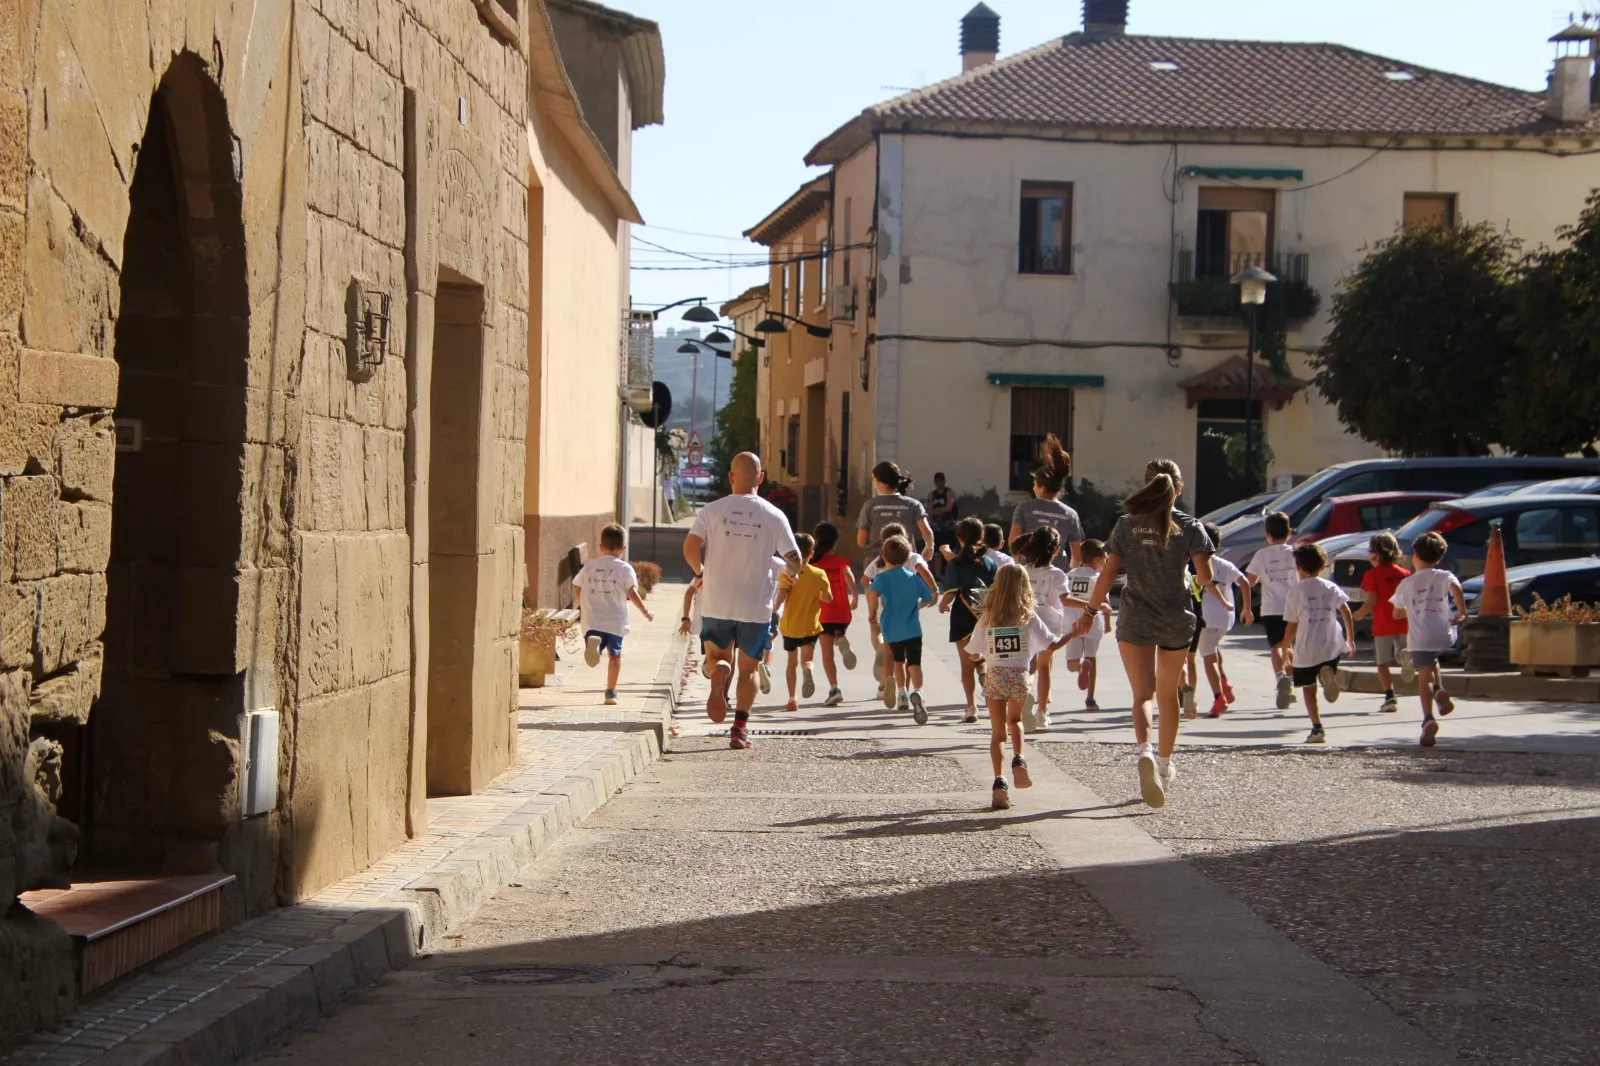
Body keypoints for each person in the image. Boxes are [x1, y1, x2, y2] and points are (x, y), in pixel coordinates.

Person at [1067, 459, 1213, 810]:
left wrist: (1089, 613)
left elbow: (1107, 576)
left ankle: (1144, 750)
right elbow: (1206, 577)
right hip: (1175, 617)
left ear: (1146, 487)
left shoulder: (1125, 525)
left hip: (1135, 618)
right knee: (1168, 695)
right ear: (1178, 489)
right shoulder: (1190, 526)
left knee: (1142, 695)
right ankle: (1164, 766)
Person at [683, 452, 802, 750]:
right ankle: (739, 729)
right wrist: (789, 575)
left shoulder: (711, 510)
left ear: (731, 477)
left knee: (717, 657)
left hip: (717, 601)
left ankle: (719, 671)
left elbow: (690, 545)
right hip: (755, 607)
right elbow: (795, 558)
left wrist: (700, 572)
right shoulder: (774, 515)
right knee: (749, 670)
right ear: (761, 478)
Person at [967, 565, 1066, 810]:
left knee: (997, 733)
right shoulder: (1028, 616)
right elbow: (1051, 645)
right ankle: (1019, 758)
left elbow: (973, 651)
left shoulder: (987, 617)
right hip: (1020, 676)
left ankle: (999, 781)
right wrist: (1073, 634)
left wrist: (979, 657)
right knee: (1016, 721)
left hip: (995, 676)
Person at [1390, 531, 1466, 747]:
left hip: (1420, 636)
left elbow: (1397, 613)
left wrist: (1410, 610)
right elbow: (1457, 588)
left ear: (1415, 554)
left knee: (1423, 674)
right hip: (1442, 632)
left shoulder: (1407, 583)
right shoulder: (1444, 575)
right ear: (1439, 558)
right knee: (1433, 661)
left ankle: (1427, 718)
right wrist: (1461, 611)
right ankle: (1440, 688)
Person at [1282, 542, 1355, 745]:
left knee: (1308, 689)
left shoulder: (1295, 592)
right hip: (1331, 645)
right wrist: (1350, 638)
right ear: (1322, 567)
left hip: (1307, 649)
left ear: (1298, 567)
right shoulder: (1331, 587)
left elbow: (1292, 625)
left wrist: (1284, 647)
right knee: (1327, 665)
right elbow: (1346, 611)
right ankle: (1327, 675)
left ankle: (1317, 727)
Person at [573, 524, 654, 706]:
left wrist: (583, 604)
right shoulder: (624, 569)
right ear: (623, 549)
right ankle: (610, 691)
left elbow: (577, 586)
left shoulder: (590, 566)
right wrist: (645, 612)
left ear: (601, 547)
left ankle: (594, 645)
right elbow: (632, 593)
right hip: (615, 621)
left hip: (592, 619)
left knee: (595, 642)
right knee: (615, 656)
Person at [863, 522, 937, 707]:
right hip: (912, 629)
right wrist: (918, 606)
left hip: (890, 627)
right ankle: (918, 691)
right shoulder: (913, 578)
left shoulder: (882, 578)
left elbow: (871, 591)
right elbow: (929, 598)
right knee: (914, 663)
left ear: (884, 557)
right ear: (906, 558)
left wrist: (872, 611)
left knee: (897, 660)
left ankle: (901, 693)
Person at [938, 516, 999, 724]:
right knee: (982, 659)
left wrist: (943, 603)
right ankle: (988, 689)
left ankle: (971, 707)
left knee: (966, 665)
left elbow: (952, 590)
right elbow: (995, 589)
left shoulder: (956, 563)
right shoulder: (990, 563)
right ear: (982, 537)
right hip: (985, 617)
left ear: (959, 538)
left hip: (962, 616)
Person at [1352, 532, 1413, 714]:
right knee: (1402, 653)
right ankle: (1406, 659)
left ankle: (1390, 696)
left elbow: (1371, 602)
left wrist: (1359, 615)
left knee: (1382, 663)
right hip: (1403, 622)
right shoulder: (1405, 573)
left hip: (1383, 624)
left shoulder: (1372, 575)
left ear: (1376, 554)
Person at [1198, 522, 1253, 718]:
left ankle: (1218, 696)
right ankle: (1225, 683)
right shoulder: (1225, 564)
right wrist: (1246, 608)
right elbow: (1244, 582)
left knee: (1208, 658)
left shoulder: (1199, 564)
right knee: (1214, 648)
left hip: (1207, 617)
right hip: (1225, 617)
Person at [773, 533, 833, 712]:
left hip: (790, 626)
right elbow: (828, 598)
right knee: (807, 659)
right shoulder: (819, 573)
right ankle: (809, 669)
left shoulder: (788, 572)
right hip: (810, 625)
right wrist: (819, 594)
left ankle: (792, 699)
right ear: (811, 554)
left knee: (792, 663)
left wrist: (775, 608)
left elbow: (783, 594)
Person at [1009, 433, 1086, 569]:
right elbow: (1077, 555)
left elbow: (1013, 541)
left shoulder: (1025, 507)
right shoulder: (1070, 514)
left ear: (1042, 486)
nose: (1033, 488)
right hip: (1057, 574)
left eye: (1034, 484)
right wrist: (1067, 575)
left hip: (1028, 571)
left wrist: (1020, 564)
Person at [1247, 511, 1299, 711]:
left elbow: (1249, 581)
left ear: (1267, 535)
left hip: (1270, 608)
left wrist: (1262, 579)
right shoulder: (1295, 553)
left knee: (1276, 646)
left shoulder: (1261, 555)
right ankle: (1292, 684)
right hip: (1293, 606)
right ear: (1288, 533)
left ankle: (1281, 678)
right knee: (1289, 645)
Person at [1020, 527, 1070, 730]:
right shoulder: (1057, 575)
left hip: (1026, 621)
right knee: (1045, 667)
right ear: (1056, 550)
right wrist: (1090, 606)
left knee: (1028, 667)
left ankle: (1026, 695)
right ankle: (1042, 711)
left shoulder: (1023, 570)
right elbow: (1065, 599)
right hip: (1048, 623)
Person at [1061, 540, 1114, 712]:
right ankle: (1090, 699)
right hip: (1093, 620)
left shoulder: (1070, 575)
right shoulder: (1099, 578)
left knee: (1071, 663)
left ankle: (1079, 668)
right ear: (1098, 560)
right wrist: (1107, 623)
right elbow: (1104, 603)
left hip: (1071, 621)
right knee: (1092, 658)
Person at [811, 522, 860, 707]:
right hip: (842, 611)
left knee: (826, 652)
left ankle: (834, 689)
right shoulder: (841, 562)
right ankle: (841, 639)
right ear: (836, 542)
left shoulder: (814, 564)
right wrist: (855, 596)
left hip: (823, 612)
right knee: (837, 633)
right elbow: (849, 576)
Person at [858, 461, 936, 560]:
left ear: (882, 484)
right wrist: (930, 547)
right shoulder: (913, 504)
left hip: (876, 563)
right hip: (906, 561)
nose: (872, 483)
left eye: (873, 479)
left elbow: (861, 541)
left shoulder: (869, 505)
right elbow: (926, 531)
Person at [927, 473, 959, 580]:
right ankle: (938, 574)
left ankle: (951, 572)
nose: (939, 483)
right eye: (937, 481)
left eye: (941, 481)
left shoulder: (949, 492)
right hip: (936, 526)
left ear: (944, 481)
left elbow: (949, 508)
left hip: (948, 525)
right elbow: (930, 510)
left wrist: (938, 510)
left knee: (950, 548)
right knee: (936, 550)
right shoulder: (932, 494)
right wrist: (941, 510)